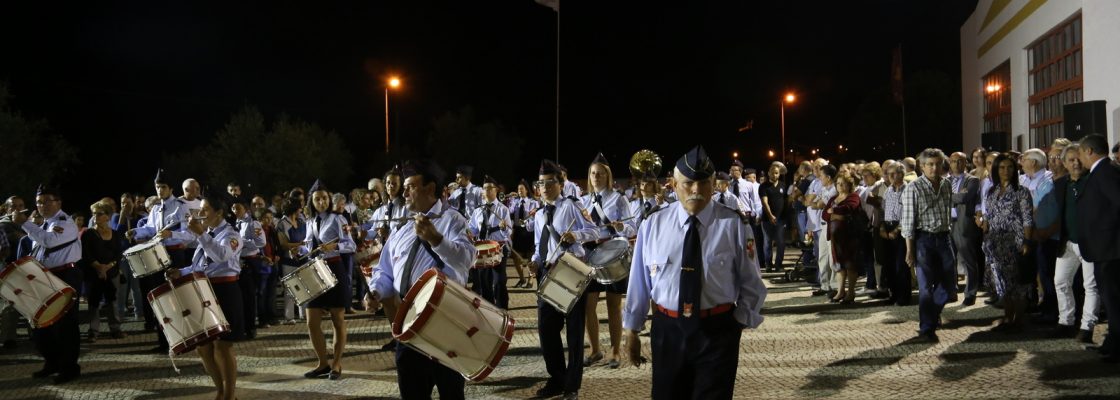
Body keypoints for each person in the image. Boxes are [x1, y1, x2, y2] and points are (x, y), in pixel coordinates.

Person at [624, 146, 766, 399]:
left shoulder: (733, 224)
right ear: (674, 184)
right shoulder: (653, 224)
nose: (696, 191)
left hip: (717, 331)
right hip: (668, 330)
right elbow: (639, 281)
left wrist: (736, 325)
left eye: (703, 183)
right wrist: (631, 329)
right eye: (688, 183)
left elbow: (752, 282)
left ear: (713, 184)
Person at [366, 159, 476, 399]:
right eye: (404, 187)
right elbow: (384, 271)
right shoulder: (401, 230)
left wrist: (437, 240)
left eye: (411, 186)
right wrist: (375, 291)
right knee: (412, 392)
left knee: (451, 392)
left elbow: (467, 259)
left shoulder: (452, 220)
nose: (403, 192)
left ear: (430, 189)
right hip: (409, 324)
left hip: (445, 322)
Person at [530, 159, 600, 400]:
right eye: (541, 183)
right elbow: (539, 248)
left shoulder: (572, 205)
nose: (545, 187)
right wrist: (535, 261)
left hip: (571, 270)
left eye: (550, 182)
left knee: (574, 331)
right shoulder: (539, 214)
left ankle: (572, 385)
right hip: (548, 272)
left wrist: (576, 235)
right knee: (546, 330)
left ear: (560, 184)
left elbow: (595, 231)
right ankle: (557, 378)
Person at [166, 195, 244, 400]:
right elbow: (199, 266)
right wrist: (180, 272)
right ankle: (220, 390)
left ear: (219, 212)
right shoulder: (207, 234)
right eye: (200, 209)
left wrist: (201, 235)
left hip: (226, 290)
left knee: (223, 346)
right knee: (203, 346)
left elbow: (221, 256)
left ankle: (229, 395)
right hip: (204, 289)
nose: (200, 214)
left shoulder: (232, 234)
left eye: (205, 209)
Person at [12, 185, 83, 383]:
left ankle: (69, 367)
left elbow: (50, 242)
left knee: (65, 325)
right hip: (46, 277)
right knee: (41, 324)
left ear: (58, 202)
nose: (41, 206)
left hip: (65, 275)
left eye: (46, 201)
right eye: (38, 202)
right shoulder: (43, 224)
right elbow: (40, 251)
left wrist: (25, 224)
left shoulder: (64, 222)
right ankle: (52, 362)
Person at [579, 153, 635, 370]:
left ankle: (615, 350)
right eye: (593, 173)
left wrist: (622, 227)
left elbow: (632, 227)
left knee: (614, 305)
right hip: (590, 254)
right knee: (587, 305)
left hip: (611, 253)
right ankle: (594, 349)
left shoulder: (618, 198)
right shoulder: (584, 200)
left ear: (608, 176)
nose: (596, 177)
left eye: (600, 174)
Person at [127, 169, 192, 353]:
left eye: (163, 187)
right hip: (157, 255)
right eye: (157, 187)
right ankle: (164, 341)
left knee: (176, 298)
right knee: (159, 298)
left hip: (174, 256)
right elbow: (149, 229)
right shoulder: (155, 208)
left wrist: (172, 233)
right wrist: (136, 232)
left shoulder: (181, 206)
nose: (160, 190)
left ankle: (183, 339)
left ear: (171, 188)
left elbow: (189, 235)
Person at [1040, 144, 1099, 342]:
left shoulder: (1094, 181)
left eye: (1078, 159)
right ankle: (1066, 322)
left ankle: (1087, 328)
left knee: (1090, 286)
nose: (1076, 163)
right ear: (1064, 163)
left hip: (1090, 241)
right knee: (1060, 281)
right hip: (1067, 242)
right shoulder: (1060, 184)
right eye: (1071, 160)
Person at [300, 180, 355, 379]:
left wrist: (336, 247)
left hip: (334, 267)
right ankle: (322, 363)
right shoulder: (309, 221)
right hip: (315, 269)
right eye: (317, 199)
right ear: (311, 202)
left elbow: (351, 245)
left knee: (337, 319)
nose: (321, 202)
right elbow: (308, 248)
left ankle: (337, 364)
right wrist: (299, 249)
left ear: (329, 199)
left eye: (324, 198)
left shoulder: (338, 219)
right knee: (311, 321)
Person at [901, 148, 955, 342]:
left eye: (937, 164)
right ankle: (927, 330)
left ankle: (931, 316)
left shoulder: (947, 184)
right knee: (925, 287)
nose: (934, 168)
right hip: (923, 239)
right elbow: (907, 221)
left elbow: (949, 212)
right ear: (922, 167)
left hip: (944, 237)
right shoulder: (913, 188)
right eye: (930, 164)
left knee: (949, 285)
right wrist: (909, 249)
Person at [1075, 134, 1120, 362]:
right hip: (1104, 248)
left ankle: (1116, 348)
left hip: (1111, 248)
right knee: (1110, 299)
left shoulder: (1106, 172)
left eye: (1081, 153)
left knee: (1113, 300)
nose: (1080, 158)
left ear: (1090, 151)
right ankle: (1111, 343)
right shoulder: (1102, 172)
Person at [978, 153, 1035, 333]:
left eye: (1010, 167)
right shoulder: (991, 191)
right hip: (995, 242)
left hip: (1014, 241)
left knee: (1016, 283)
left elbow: (1027, 218)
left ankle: (1017, 319)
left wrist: (1026, 241)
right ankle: (1008, 317)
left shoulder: (1021, 191)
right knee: (1001, 283)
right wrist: (983, 222)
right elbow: (989, 215)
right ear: (995, 170)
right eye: (1002, 167)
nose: (1006, 171)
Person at [80, 202, 126, 342]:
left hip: (112, 272)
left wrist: (107, 267)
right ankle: (93, 331)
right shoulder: (88, 233)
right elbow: (86, 253)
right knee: (93, 302)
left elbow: (118, 254)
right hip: (93, 272)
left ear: (107, 216)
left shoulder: (116, 234)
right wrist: (99, 267)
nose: (95, 216)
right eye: (94, 214)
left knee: (112, 301)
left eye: (99, 214)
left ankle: (115, 329)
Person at [468, 175, 513, 308]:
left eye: (489, 188)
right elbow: (473, 230)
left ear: (496, 190)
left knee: (499, 281)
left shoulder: (503, 209)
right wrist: (468, 232)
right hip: (482, 250)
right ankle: (490, 310)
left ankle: (502, 309)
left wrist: (505, 228)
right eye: (484, 189)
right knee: (485, 283)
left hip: (498, 248)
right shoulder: (478, 210)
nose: (486, 191)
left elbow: (508, 232)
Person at [949, 152, 983, 306]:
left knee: (969, 260)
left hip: (964, 224)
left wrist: (949, 196)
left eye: (960, 161)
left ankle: (970, 293)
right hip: (947, 223)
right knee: (949, 260)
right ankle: (952, 291)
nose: (957, 164)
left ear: (966, 163)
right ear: (950, 163)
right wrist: (956, 195)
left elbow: (964, 198)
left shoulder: (973, 180)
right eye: (954, 161)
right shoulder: (945, 181)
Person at [823, 173, 863, 304]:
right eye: (838, 183)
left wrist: (833, 212)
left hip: (850, 237)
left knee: (850, 265)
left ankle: (851, 293)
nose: (840, 186)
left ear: (849, 185)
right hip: (835, 238)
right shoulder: (834, 198)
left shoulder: (854, 197)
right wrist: (835, 216)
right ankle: (840, 291)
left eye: (843, 183)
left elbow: (849, 208)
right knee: (839, 266)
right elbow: (824, 214)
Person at [231, 196, 266, 338]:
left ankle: (251, 328)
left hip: (250, 262)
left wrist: (242, 242)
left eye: (238, 208)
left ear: (245, 208)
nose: (235, 210)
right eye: (233, 208)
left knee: (250, 297)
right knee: (240, 298)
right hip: (237, 262)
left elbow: (261, 242)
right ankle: (241, 326)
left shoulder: (253, 223)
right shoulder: (235, 223)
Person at [807, 164, 839, 297]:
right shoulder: (824, 188)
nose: (819, 178)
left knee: (832, 258)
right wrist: (815, 203)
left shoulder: (833, 190)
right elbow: (810, 202)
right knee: (823, 257)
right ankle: (825, 285)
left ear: (828, 177)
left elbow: (818, 204)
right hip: (823, 225)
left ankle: (835, 286)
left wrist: (815, 203)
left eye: (821, 176)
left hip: (831, 226)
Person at [276, 199, 307, 325]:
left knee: (304, 287)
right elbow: (283, 244)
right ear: (294, 209)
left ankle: (303, 313)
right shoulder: (282, 223)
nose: (301, 210)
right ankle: (289, 316)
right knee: (290, 288)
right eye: (300, 208)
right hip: (288, 259)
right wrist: (301, 244)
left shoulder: (301, 221)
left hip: (302, 256)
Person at [508, 179, 539, 288]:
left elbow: (537, 218)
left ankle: (530, 280)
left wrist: (528, 221)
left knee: (531, 258)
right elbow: (509, 213)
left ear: (526, 190)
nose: (519, 191)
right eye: (518, 189)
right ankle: (521, 279)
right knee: (516, 257)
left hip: (529, 232)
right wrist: (510, 200)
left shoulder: (533, 202)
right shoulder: (514, 202)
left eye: (522, 189)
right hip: (518, 232)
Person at [760, 161, 789, 273]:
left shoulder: (783, 186)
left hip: (781, 220)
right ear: (768, 173)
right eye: (772, 173)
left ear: (779, 174)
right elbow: (764, 202)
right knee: (767, 243)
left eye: (777, 173)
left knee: (781, 243)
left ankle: (778, 264)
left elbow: (786, 201)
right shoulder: (763, 187)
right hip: (767, 220)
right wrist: (770, 215)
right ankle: (768, 264)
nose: (774, 175)